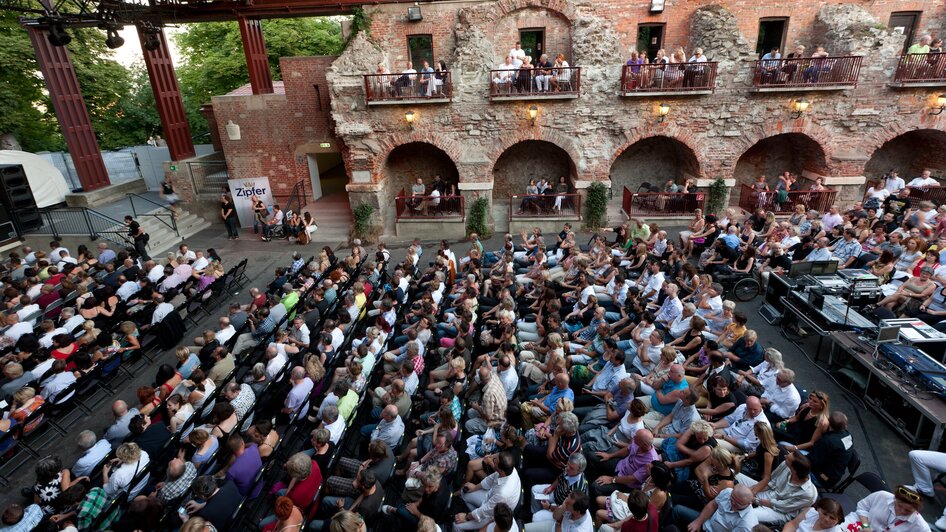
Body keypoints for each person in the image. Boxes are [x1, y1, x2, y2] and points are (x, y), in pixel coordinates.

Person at [454, 451, 521, 531]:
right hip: (490, 501)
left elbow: (486, 510)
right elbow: (491, 479)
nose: (492, 460)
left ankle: (475, 518)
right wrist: (475, 487)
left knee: (456, 525)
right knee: (464, 492)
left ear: (502, 471)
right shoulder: (509, 469)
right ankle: (475, 516)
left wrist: (466, 517)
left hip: (493, 516)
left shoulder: (503, 493)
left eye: (494, 461)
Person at [841, 486, 929, 532]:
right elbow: (862, 507)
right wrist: (866, 526)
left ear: (916, 510)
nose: (901, 511)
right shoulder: (882, 495)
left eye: (908, 511)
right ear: (895, 498)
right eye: (898, 506)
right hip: (859, 523)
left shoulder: (921, 527)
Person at [686, 485, 758, 532]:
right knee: (677, 510)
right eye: (732, 499)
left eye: (738, 503)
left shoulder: (747, 523)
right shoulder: (728, 492)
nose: (733, 503)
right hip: (706, 521)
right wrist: (698, 522)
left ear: (748, 504)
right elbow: (713, 505)